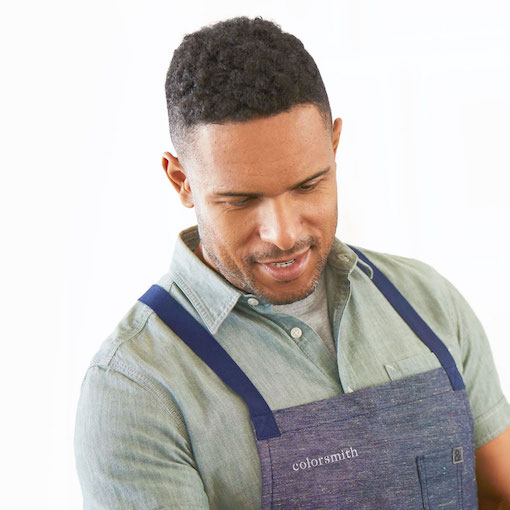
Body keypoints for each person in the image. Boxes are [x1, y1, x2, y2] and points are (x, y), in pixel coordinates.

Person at [74, 15, 510, 509]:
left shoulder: (427, 301)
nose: (283, 235)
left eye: (308, 185)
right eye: (241, 200)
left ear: (335, 145)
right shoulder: (138, 388)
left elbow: (499, 492)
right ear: (182, 182)